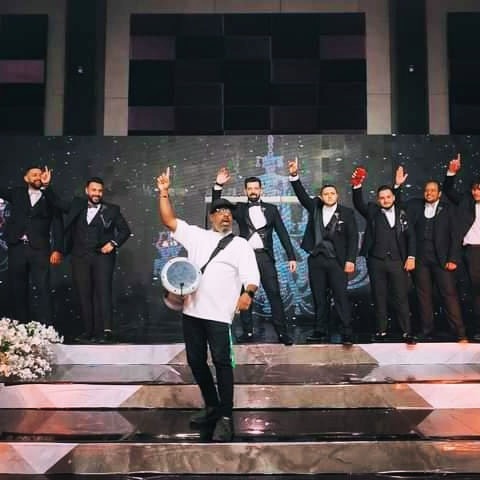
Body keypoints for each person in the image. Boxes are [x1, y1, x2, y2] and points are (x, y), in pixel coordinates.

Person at [158, 166, 260, 442]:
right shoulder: (196, 236)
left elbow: (252, 278)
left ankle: (226, 418)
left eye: (229, 212)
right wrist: (164, 192)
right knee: (195, 361)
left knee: (222, 363)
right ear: (211, 217)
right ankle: (213, 406)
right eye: (220, 211)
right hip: (192, 313)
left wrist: (248, 294)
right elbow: (168, 220)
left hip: (220, 317)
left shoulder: (240, 245)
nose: (225, 215)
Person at [43, 173, 131, 342]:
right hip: (80, 257)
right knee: (84, 293)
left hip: (102, 257)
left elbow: (125, 231)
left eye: (100, 191)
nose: (97, 193)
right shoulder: (77, 205)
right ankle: (89, 331)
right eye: (94, 190)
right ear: (87, 190)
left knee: (103, 292)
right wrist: (46, 187)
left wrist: (113, 243)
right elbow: (57, 202)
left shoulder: (112, 209)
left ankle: (106, 331)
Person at [212, 168, 296, 345]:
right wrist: (218, 185)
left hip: (265, 257)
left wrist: (291, 256)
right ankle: (247, 332)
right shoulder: (240, 208)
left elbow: (282, 233)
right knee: (245, 294)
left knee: (274, 294)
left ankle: (282, 333)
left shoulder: (271, 209)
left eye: (256, 188)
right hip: (245, 258)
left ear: (261, 190)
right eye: (249, 188)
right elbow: (217, 207)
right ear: (245, 191)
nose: (253, 191)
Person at [288, 158, 358, 345]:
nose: (329, 196)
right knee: (319, 297)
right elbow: (302, 195)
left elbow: (353, 238)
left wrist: (351, 260)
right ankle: (320, 330)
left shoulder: (347, 213)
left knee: (340, 296)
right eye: (326, 194)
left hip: (337, 260)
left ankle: (346, 332)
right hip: (316, 259)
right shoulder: (315, 207)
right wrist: (294, 176)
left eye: (332, 193)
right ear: (321, 197)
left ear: (337, 196)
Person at [351, 166, 416, 344]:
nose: (385, 200)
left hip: (397, 261)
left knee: (401, 297)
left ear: (393, 198)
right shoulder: (372, 211)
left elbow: (411, 236)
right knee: (379, 297)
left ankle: (407, 332)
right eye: (382, 198)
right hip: (376, 261)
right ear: (378, 200)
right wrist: (356, 186)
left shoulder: (402, 211)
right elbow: (359, 204)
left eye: (388, 197)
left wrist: (411, 257)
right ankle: (381, 331)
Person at [0, 165, 63, 325]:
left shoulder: (50, 196)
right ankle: (22, 326)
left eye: (40, 174)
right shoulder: (16, 193)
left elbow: (58, 224)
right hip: (17, 247)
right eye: (33, 175)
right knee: (18, 288)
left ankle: (46, 328)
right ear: (26, 178)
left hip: (40, 249)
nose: (37, 177)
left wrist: (57, 249)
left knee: (43, 288)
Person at [405, 180, 466, 341]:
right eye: (427, 190)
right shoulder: (416, 206)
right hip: (421, 258)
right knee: (423, 296)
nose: (429, 193)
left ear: (439, 193)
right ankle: (426, 330)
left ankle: (459, 332)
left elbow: (456, 236)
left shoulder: (449, 209)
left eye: (433, 190)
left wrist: (453, 258)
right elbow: (397, 205)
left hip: (442, 258)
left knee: (449, 294)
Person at [443, 153, 480, 340]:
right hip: (471, 252)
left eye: (479, 190)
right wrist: (451, 172)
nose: (476, 193)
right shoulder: (466, 201)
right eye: (474, 189)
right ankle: (476, 328)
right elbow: (448, 190)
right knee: (474, 292)